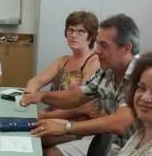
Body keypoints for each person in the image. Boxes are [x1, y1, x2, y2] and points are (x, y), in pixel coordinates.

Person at [21, 14, 142, 156]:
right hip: (110, 141)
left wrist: (66, 127)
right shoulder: (106, 71)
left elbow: (119, 123)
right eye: (98, 43)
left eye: (104, 45)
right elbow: (76, 97)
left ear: (126, 48)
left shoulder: (140, 76)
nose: (98, 50)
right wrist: (41, 96)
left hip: (133, 150)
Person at [24, 11, 101, 147]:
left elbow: (83, 107)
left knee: (33, 135)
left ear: (91, 37)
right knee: (23, 128)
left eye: (81, 31)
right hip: (52, 116)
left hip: (78, 123)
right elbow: (37, 80)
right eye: (70, 30)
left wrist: (45, 116)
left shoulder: (93, 63)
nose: (73, 35)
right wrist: (31, 90)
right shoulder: (63, 60)